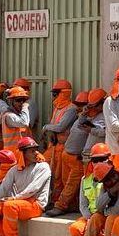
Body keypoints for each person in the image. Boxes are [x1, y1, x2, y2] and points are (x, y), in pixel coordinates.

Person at [0, 137, 52, 236]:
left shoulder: (43, 167)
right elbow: (3, 188)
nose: (36, 153)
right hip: (20, 202)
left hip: (36, 204)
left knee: (9, 206)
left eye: (36, 150)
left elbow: (33, 189)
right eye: (32, 151)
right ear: (22, 153)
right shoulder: (14, 170)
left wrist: (14, 198)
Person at [66, 145, 113, 236]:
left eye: (102, 159)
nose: (98, 163)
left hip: (106, 214)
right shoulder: (85, 179)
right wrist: (88, 218)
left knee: (97, 223)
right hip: (90, 216)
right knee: (75, 228)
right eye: (95, 160)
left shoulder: (113, 176)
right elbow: (83, 205)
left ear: (109, 159)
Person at [41, 79, 77, 207]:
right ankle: (53, 200)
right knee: (53, 175)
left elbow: (61, 127)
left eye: (56, 93)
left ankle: (65, 203)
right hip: (55, 146)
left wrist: (46, 127)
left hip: (65, 147)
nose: (54, 97)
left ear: (63, 93)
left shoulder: (71, 109)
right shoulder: (57, 108)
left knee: (63, 177)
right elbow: (54, 126)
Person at [0, 86, 32, 155]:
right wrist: (25, 107)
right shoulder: (9, 116)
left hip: (20, 153)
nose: (21, 103)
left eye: (23, 100)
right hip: (12, 154)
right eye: (18, 100)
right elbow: (24, 123)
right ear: (11, 102)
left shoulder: (19, 115)